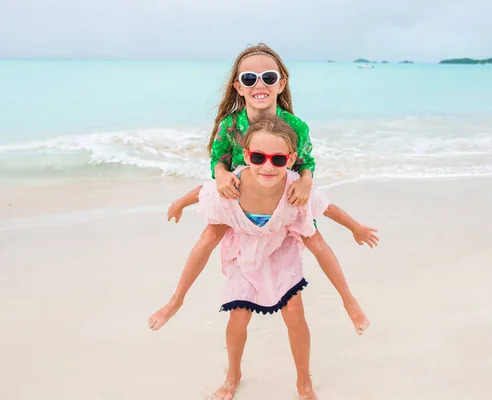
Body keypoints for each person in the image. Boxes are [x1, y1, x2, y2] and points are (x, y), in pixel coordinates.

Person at [149, 43, 375, 335]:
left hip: (286, 198)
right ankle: (176, 300)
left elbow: (306, 162)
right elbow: (219, 159)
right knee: (208, 237)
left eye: (268, 78)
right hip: (240, 198)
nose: (259, 84)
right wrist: (220, 176)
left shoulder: (295, 125)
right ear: (238, 87)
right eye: (249, 79)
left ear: (280, 83)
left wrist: (305, 182)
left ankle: (349, 301)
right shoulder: (231, 125)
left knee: (316, 241)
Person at [149, 116, 379, 400]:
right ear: (246, 156)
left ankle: (307, 376)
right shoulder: (232, 186)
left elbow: (328, 207)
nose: (268, 166)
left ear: (291, 158)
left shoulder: (296, 189)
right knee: (238, 315)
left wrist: (356, 228)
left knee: (298, 303)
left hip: (280, 245)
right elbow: (202, 191)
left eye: (278, 159)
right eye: (258, 157)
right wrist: (178, 204)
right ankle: (229, 372)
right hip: (243, 248)